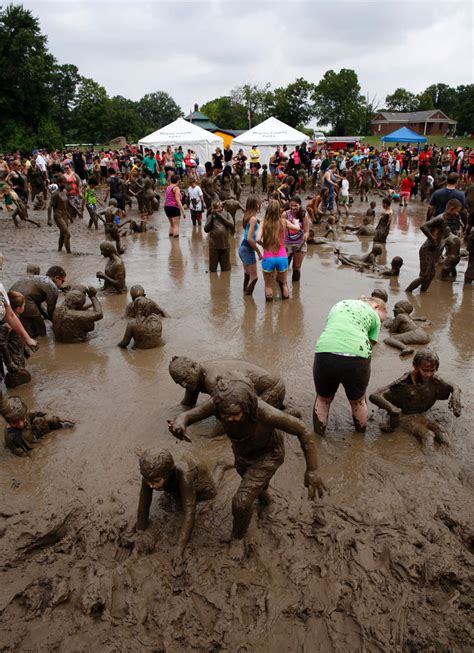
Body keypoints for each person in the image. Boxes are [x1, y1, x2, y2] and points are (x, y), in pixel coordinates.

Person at [168, 375, 326, 541]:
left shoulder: (266, 413)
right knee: (251, 484)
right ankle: (267, 503)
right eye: (224, 415)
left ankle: (237, 538)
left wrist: (312, 470)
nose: (230, 419)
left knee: (241, 501)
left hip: (269, 455)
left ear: (247, 406)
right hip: (242, 452)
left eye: (235, 414)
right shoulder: (219, 403)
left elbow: (302, 430)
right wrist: (179, 423)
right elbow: (188, 415)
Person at [312, 296, 387, 436]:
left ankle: (318, 437)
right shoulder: (373, 315)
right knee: (358, 401)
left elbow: (333, 328)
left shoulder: (339, 304)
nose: (380, 322)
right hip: (356, 357)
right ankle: (360, 437)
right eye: (381, 319)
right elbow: (370, 345)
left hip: (325, 351)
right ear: (376, 306)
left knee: (323, 399)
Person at [135, 449, 217, 560]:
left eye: (156, 481)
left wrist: (180, 547)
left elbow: (190, 512)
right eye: (149, 481)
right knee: (173, 499)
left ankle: (220, 467)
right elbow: (143, 504)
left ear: (169, 473)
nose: (151, 485)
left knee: (210, 496)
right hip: (176, 484)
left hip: (200, 484)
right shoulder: (150, 475)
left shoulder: (185, 476)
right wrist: (140, 530)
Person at [369, 350, 461, 447]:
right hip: (404, 417)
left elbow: (454, 387)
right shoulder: (403, 383)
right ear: (415, 366)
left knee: (442, 432)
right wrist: (392, 409)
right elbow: (375, 395)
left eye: (432, 371)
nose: (428, 374)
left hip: (421, 415)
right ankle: (429, 460)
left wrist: (456, 395)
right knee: (427, 436)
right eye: (425, 370)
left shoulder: (435, 380)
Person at [168, 356, 287, 409]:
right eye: (179, 382)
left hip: (273, 389)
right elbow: (187, 405)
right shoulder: (193, 380)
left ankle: (288, 414)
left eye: (185, 379)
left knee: (247, 422)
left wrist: (209, 437)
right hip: (257, 390)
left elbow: (227, 410)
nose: (183, 385)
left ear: (194, 367)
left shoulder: (211, 379)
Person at [2, 396, 74, 456]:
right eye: (14, 422)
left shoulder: (26, 415)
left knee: (46, 421)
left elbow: (39, 413)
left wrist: (53, 418)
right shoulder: (12, 436)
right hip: (28, 444)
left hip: (33, 433)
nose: (20, 424)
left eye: (22, 419)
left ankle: (65, 425)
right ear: (8, 422)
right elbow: (20, 452)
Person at [256, 199, 298, 301]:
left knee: (268, 286)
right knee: (283, 284)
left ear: (268, 210)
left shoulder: (263, 222)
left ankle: (268, 313)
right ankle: (285, 309)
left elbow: (257, 239)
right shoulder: (283, 222)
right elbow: (297, 228)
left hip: (268, 257)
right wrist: (295, 222)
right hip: (282, 257)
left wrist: (264, 244)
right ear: (278, 210)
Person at [9, 266, 66, 337]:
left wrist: (48, 317)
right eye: (62, 281)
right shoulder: (52, 286)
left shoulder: (39, 278)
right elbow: (50, 309)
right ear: (56, 278)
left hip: (11, 297)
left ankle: (27, 335)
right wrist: (55, 321)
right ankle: (42, 340)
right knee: (39, 324)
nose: (62, 284)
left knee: (26, 321)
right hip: (23, 299)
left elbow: (38, 304)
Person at [405, 209, 450, 293]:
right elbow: (423, 226)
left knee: (431, 275)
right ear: (452, 209)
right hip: (427, 249)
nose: (458, 213)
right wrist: (433, 241)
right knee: (425, 275)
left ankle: (422, 293)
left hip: (433, 250)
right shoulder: (440, 218)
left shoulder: (444, 219)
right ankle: (407, 292)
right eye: (457, 211)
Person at [0, 291, 31, 388]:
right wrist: (10, 363)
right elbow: (2, 343)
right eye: (24, 305)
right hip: (14, 355)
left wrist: (25, 348)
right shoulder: (7, 323)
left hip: (19, 351)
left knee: (21, 368)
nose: (24, 306)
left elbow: (19, 336)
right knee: (18, 377)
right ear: (18, 308)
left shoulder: (15, 317)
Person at [283, 196, 310, 282]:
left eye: (295, 205)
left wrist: (303, 241)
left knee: (296, 268)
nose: (293, 207)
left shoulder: (303, 215)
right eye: (291, 205)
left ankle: (296, 290)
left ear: (300, 205)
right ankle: (282, 287)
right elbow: (280, 231)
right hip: (287, 244)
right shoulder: (285, 214)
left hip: (300, 244)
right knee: (283, 268)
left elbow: (306, 231)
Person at [238, 195, 261, 296]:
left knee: (248, 274)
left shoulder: (247, 217)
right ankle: (247, 300)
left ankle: (244, 294)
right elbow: (250, 238)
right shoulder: (253, 219)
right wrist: (259, 252)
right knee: (254, 277)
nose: (260, 205)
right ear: (256, 205)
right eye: (259, 203)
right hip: (248, 249)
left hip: (242, 248)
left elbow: (249, 235)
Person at [204, 199, 234, 273]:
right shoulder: (211, 216)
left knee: (226, 270)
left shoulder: (227, 214)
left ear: (221, 207)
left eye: (218, 208)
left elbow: (231, 225)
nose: (216, 210)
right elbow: (206, 229)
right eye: (214, 208)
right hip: (214, 247)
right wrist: (211, 216)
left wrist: (220, 216)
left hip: (225, 246)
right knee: (212, 270)